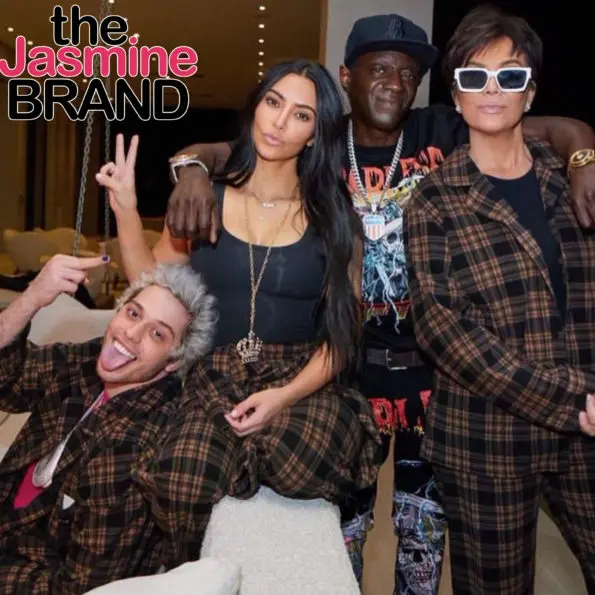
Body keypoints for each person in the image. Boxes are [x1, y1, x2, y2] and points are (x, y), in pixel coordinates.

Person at [160, 13, 595, 593]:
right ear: (347, 77)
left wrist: (584, 162)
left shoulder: (444, 127)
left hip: (431, 375)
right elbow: (221, 150)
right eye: (380, 69)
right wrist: (190, 170)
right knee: (343, 529)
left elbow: (563, 129)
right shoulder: (318, 140)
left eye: (409, 73)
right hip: (348, 371)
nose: (395, 82)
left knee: (423, 532)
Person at [95, 59, 383, 569]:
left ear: (315, 134)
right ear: (256, 108)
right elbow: (154, 288)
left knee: (304, 453)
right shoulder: (206, 197)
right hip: (216, 375)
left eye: (301, 115)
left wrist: (282, 397)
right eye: (273, 103)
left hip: (299, 380)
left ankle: (242, 467)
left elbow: (344, 337)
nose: (279, 122)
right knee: (182, 479)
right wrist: (125, 208)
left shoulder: (334, 217)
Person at [404, 5, 595, 594]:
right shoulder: (433, 200)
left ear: (529, 93)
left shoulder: (572, 182)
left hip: (587, 429)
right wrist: (572, 400)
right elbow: (443, 330)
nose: (492, 89)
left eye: (509, 76)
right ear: (456, 96)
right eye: (474, 76)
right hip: (487, 439)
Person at [0, 254, 216, 594]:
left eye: (157, 334)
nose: (131, 334)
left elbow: (77, 588)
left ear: (173, 363)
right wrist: (32, 299)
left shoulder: (133, 451)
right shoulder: (86, 363)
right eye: (133, 313)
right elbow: (7, 385)